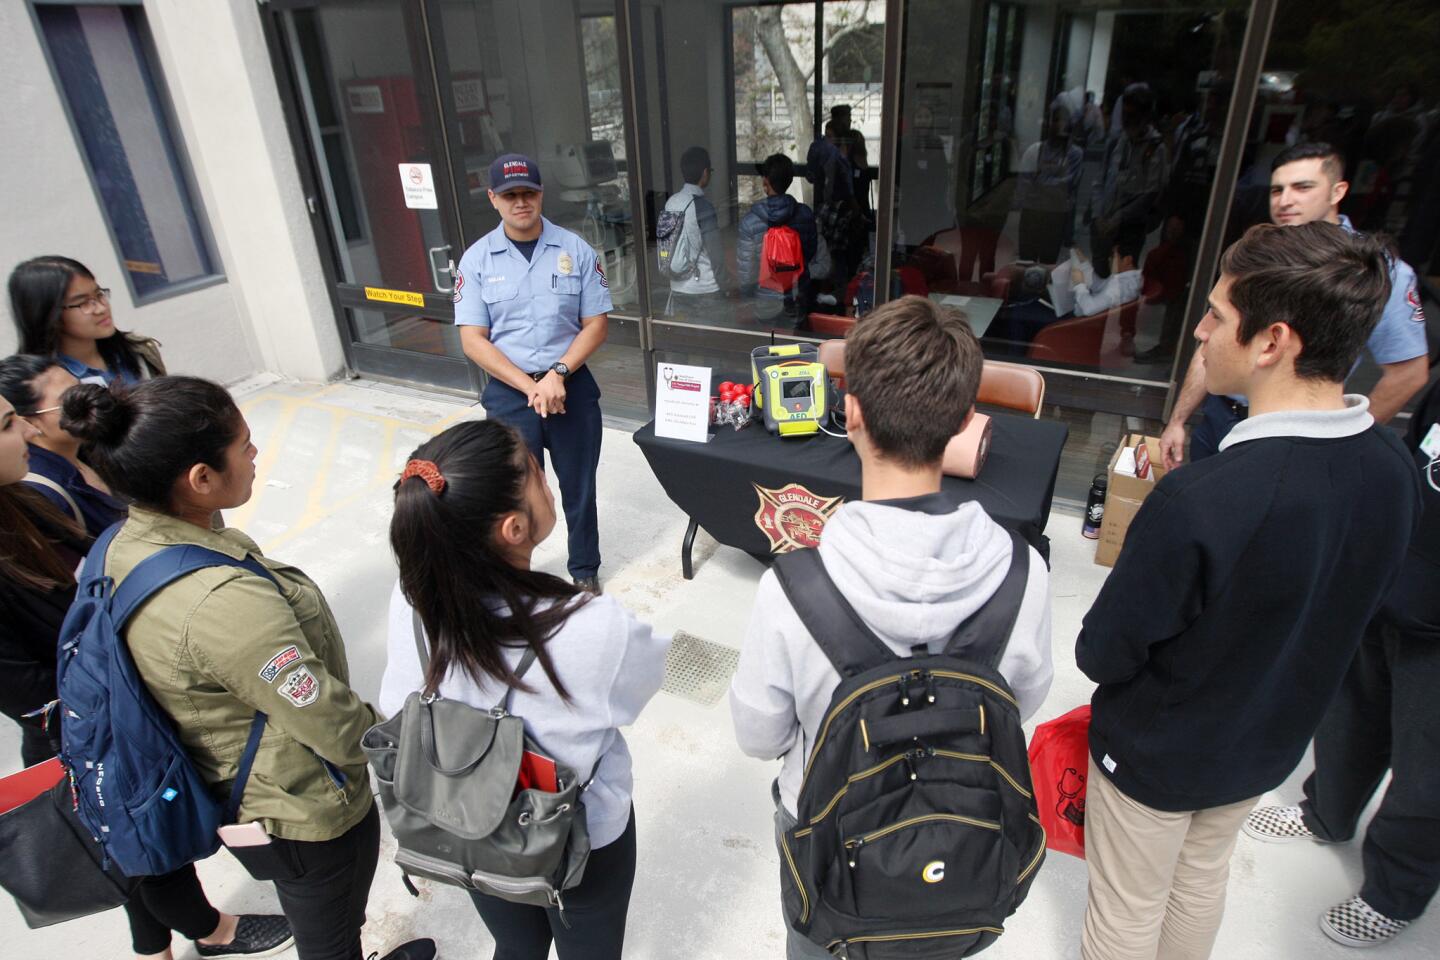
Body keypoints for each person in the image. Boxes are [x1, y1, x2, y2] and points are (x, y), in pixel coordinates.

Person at [1075, 222, 1423, 960]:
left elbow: (1104, 651)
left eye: (1216, 316)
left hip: (1157, 752)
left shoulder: (1203, 500)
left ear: (1272, 342)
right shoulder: (1393, 469)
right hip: (1266, 744)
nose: (1199, 332)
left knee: (1127, 908)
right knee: (1202, 877)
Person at [59, 376, 432, 960]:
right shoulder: (219, 600)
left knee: (326, 921)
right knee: (329, 929)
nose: (256, 454)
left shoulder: (122, 543)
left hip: (238, 781)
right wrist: (396, 737)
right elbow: (329, 722)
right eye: (244, 446)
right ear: (200, 479)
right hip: (301, 804)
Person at [729, 295, 1054, 959]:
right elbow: (1021, 699)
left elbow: (759, 736)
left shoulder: (794, 587)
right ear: (965, 421)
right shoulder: (1024, 573)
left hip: (828, 836)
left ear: (849, 411)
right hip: (960, 838)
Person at [0, 393, 293, 960]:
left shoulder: (24, 504)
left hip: (106, 702)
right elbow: (27, 689)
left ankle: (151, 943)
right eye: (10, 425)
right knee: (144, 835)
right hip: (84, 723)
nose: (28, 435)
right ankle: (211, 931)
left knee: (129, 841)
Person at [380, 419, 668, 960]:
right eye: (536, 471)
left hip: (464, 819)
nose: (547, 477)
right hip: (572, 840)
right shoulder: (591, 626)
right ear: (514, 528)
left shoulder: (413, 597)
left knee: (514, 941)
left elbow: (397, 698)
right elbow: (639, 687)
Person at [1240, 373, 1440, 948]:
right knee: (1351, 710)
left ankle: (1394, 891)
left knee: (1427, 769)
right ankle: (1325, 813)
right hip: (1395, 580)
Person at [1160, 142, 1430, 468]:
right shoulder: (1263, 250)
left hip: (1290, 433)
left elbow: (1408, 373)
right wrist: (1178, 419)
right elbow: (1213, 333)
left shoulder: (1373, 268)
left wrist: (1340, 444)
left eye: (1302, 187)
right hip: (1220, 413)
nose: (1285, 200)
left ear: (1337, 191)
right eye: (1277, 190)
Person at [454, 153, 611, 594]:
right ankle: (516, 576)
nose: (520, 202)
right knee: (514, 492)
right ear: (493, 199)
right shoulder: (477, 260)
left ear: (541, 194)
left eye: (528, 193)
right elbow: (473, 340)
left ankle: (584, 570)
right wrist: (532, 386)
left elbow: (596, 324)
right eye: (510, 195)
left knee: (579, 486)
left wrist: (558, 373)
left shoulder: (574, 249)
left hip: (571, 385)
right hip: (511, 393)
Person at [0, 353, 125, 534]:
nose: (90, 401)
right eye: (71, 400)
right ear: (30, 422)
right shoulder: (43, 494)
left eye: (82, 388)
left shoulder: (91, 446)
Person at [8, 256, 164, 387]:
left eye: (99, 294)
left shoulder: (136, 351)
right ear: (49, 314)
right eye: (83, 303)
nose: (101, 308)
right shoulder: (41, 387)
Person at [1088, 83, 1167, 276]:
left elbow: (1150, 193)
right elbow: (1100, 180)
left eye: (1133, 115)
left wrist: (1118, 218)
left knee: (1120, 285)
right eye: (1125, 114)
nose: (1127, 120)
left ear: (1146, 116)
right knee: (1098, 278)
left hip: (1129, 229)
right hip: (1103, 223)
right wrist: (1098, 214)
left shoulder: (1155, 148)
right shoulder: (1116, 142)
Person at [737, 154, 819, 323]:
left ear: (765, 183)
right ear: (789, 181)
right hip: (797, 295)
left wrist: (748, 298)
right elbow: (810, 253)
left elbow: (747, 271)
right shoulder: (805, 215)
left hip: (764, 299)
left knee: (768, 345)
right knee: (794, 345)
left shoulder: (749, 222)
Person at [661, 146, 730, 313]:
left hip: (677, 288)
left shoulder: (671, 202)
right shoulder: (704, 207)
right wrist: (725, 285)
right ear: (705, 173)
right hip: (705, 291)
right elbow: (716, 255)